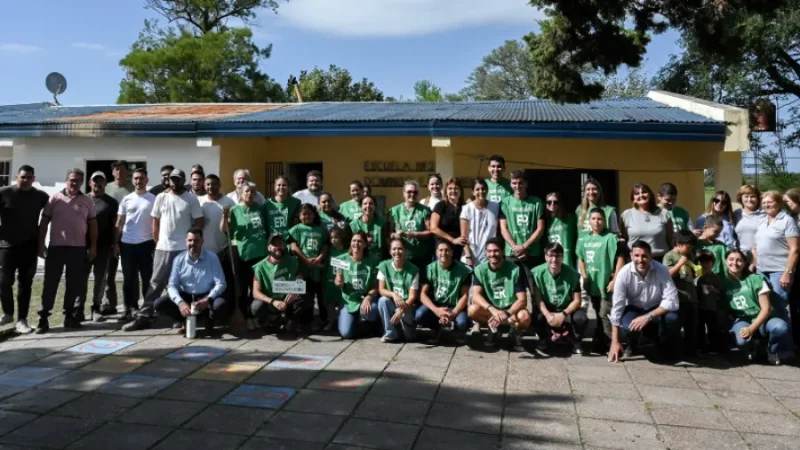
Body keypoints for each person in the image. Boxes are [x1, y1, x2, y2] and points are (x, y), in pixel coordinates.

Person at [123, 169, 203, 331]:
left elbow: (199, 221)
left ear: (183, 180)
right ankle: (144, 316)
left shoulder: (191, 199)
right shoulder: (161, 197)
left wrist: (193, 242)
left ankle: (179, 317)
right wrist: (157, 240)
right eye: (172, 179)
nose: (175, 182)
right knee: (156, 283)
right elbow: (155, 220)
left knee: (183, 285)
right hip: (163, 248)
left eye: (178, 179)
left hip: (183, 248)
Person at [37, 169, 98, 333]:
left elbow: (93, 224)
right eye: (72, 180)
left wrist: (93, 246)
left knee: (73, 284)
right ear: (66, 180)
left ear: (82, 183)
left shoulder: (87, 200)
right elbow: (44, 223)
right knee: (50, 283)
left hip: (78, 249)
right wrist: (41, 244)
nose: (74, 183)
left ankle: (69, 316)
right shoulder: (55, 198)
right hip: (56, 248)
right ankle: (43, 317)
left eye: (78, 180)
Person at [608, 241, 680, 362]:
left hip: (656, 308)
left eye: (644, 256)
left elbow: (672, 301)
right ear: (631, 256)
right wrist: (614, 342)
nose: (640, 260)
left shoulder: (661, 269)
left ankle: (662, 344)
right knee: (626, 327)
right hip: (634, 308)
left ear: (651, 256)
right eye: (636, 256)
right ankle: (632, 342)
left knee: (672, 318)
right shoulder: (623, 273)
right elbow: (617, 307)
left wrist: (648, 316)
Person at [0, 165, 49, 333]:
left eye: (29, 177)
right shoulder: (5, 193)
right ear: (17, 177)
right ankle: (8, 313)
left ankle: (22, 319)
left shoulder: (40, 196)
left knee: (25, 284)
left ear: (33, 178)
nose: (26, 180)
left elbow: (53, 212)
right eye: (23, 177)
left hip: (29, 246)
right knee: (3, 282)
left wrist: (42, 244)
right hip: (6, 246)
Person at [153, 228, 227, 335]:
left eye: (196, 241)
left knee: (220, 305)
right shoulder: (178, 259)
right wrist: (180, 303)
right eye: (190, 240)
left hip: (206, 296)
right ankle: (184, 319)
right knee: (159, 304)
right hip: (187, 296)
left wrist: (208, 299)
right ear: (185, 241)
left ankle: (209, 319)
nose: (192, 243)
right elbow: (172, 286)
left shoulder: (212, 258)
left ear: (202, 241)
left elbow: (221, 283)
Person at [724, 249, 791, 365]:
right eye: (731, 259)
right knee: (740, 341)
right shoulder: (722, 282)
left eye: (739, 260)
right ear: (725, 261)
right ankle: (752, 347)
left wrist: (751, 329)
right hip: (743, 319)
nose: (734, 263)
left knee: (781, 327)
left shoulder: (756, 279)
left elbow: (766, 309)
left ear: (745, 263)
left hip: (765, 319)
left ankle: (772, 350)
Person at [469, 238, 531, 351]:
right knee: (472, 310)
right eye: (489, 251)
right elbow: (476, 295)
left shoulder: (515, 269)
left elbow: (522, 300)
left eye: (496, 251)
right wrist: (493, 310)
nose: (492, 254)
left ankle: (515, 332)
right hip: (492, 310)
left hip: (510, 310)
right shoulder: (480, 269)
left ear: (502, 251)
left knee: (525, 317)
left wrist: (507, 313)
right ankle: (492, 328)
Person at [576, 208, 625, 354]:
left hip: (606, 283)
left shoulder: (611, 238)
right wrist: (584, 276)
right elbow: (581, 259)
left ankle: (613, 344)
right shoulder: (584, 240)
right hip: (592, 283)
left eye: (600, 219)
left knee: (605, 313)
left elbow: (620, 259)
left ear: (604, 221)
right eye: (593, 219)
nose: (596, 222)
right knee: (598, 312)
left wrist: (614, 280)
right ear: (589, 221)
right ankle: (600, 342)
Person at [751, 190, 799, 333]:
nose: (766, 205)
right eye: (764, 202)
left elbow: (795, 249)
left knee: (779, 307)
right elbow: (757, 245)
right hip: (761, 271)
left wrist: (788, 272)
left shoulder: (787, 220)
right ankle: (769, 340)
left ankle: (784, 344)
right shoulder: (762, 221)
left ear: (779, 203)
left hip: (779, 271)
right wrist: (754, 262)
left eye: (770, 202)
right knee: (764, 307)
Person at [223, 182, 268, 331]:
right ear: (241, 194)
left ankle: (254, 315)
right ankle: (245, 316)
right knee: (242, 288)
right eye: (247, 191)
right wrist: (225, 216)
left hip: (260, 254)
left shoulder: (259, 208)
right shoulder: (235, 210)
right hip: (243, 253)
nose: (250, 194)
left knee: (257, 286)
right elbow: (224, 229)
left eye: (253, 192)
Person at [76, 171, 118, 323]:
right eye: (95, 181)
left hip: (104, 247)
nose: (98, 184)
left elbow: (116, 226)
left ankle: (96, 307)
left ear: (105, 183)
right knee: (81, 278)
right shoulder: (82, 200)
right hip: (82, 246)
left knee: (100, 279)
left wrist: (115, 244)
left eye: (101, 181)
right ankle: (78, 308)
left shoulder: (111, 202)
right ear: (90, 183)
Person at [115, 168, 156, 322]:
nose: (139, 181)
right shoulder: (126, 199)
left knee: (147, 279)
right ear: (132, 180)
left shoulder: (153, 199)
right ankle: (128, 308)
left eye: (141, 178)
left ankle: (147, 309)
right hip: (127, 244)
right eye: (136, 178)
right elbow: (119, 222)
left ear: (147, 180)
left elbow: (157, 222)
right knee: (128, 279)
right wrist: (116, 244)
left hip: (147, 244)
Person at [533, 243, 585, 354]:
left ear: (562, 257)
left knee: (581, 318)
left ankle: (575, 341)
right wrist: (548, 314)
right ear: (545, 257)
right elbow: (538, 299)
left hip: (566, 308)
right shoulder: (536, 273)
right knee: (536, 317)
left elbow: (577, 301)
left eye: (558, 256)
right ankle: (544, 338)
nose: (554, 259)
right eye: (551, 255)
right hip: (548, 307)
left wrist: (563, 314)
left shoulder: (572, 274)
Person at [251, 233, 308, 332]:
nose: (278, 246)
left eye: (280, 243)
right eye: (275, 244)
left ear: (285, 246)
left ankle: (289, 321)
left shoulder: (293, 261)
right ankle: (270, 320)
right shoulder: (260, 267)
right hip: (271, 302)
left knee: (305, 296)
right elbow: (255, 293)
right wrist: (273, 302)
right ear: (269, 248)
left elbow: (300, 280)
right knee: (256, 306)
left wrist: (295, 291)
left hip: (288, 301)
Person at [499, 170, 545, 293]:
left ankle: (536, 307)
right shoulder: (505, 202)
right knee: (512, 288)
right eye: (514, 183)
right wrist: (515, 247)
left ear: (526, 183)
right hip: (511, 252)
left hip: (532, 252)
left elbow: (540, 229)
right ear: (510, 184)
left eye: (520, 183)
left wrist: (524, 247)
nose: (517, 186)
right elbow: (503, 228)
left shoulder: (537, 202)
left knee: (535, 287)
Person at [198, 174, 236, 318]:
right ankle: (205, 313)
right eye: (208, 184)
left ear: (219, 185)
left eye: (214, 184)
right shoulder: (200, 202)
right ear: (204, 185)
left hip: (222, 250)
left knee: (224, 283)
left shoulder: (229, 202)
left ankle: (225, 312)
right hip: (203, 251)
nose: (210, 187)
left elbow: (232, 226)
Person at [288, 203, 329, 330]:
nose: (307, 216)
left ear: (314, 215)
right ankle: (305, 322)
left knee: (321, 295)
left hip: (318, 268)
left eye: (309, 214)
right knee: (306, 296)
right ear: (299, 216)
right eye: (304, 214)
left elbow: (325, 246)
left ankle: (324, 320)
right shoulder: (296, 229)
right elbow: (293, 247)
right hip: (302, 268)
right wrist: (306, 260)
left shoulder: (320, 229)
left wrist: (319, 258)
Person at [100, 160, 133, 315]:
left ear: (127, 171)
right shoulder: (107, 188)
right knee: (109, 272)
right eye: (116, 169)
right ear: (113, 172)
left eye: (122, 169)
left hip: (130, 234)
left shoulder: (133, 188)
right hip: (110, 234)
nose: (119, 172)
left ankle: (131, 304)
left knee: (130, 272)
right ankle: (109, 303)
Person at [334, 231, 380, 339]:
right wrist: (339, 281)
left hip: (366, 298)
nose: (356, 244)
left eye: (359, 241)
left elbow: (375, 286)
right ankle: (356, 323)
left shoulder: (373, 260)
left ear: (365, 244)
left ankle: (374, 324)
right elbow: (337, 282)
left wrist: (368, 297)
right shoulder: (341, 259)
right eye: (354, 241)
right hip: (349, 300)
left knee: (372, 311)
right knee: (346, 333)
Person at [663, 229, 700, 356]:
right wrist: (680, 263)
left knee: (692, 325)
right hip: (678, 296)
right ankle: (673, 351)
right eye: (688, 247)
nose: (690, 250)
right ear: (678, 244)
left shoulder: (691, 255)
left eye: (692, 247)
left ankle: (691, 350)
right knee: (676, 325)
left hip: (691, 296)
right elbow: (667, 275)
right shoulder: (669, 256)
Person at [376, 238, 419, 343]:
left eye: (400, 249)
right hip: (392, 303)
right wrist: (393, 294)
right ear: (390, 251)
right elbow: (381, 290)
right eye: (394, 249)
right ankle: (390, 333)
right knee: (382, 300)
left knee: (408, 338)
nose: (397, 252)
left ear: (405, 251)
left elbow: (412, 297)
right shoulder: (384, 266)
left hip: (406, 306)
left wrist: (401, 311)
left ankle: (406, 329)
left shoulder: (413, 270)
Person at [620, 183, 674, 261]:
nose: (641, 195)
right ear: (633, 198)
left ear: (650, 195)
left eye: (644, 192)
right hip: (636, 260)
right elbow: (623, 239)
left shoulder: (664, 213)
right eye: (637, 194)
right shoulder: (626, 215)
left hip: (660, 259)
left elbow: (671, 240)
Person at [389, 181, 433, 269]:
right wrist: (396, 235)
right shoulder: (395, 210)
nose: (412, 194)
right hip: (401, 256)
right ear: (404, 193)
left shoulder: (425, 210)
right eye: (409, 192)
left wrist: (413, 234)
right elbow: (389, 233)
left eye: (415, 192)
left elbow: (429, 232)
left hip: (421, 257)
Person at [459, 178, 499, 267]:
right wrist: (468, 256)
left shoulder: (495, 207)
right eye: (477, 189)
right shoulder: (467, 208)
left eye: (483, 189)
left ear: (487, 190)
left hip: (489, 255)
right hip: (471, 256)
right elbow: (463, 236)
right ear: (473, 192)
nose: (481, 191)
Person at [695, 249, 725, 353]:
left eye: (707, 262)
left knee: (713, 326)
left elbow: (721, 292)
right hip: (699, 306)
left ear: (712, 263)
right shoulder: (697, 276)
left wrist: (713, 289)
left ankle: (714, 345)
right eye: (702, 262)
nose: (705, 265)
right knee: (700, 326)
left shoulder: (715, 277)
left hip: (711, 306)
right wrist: (698, 278)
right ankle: (700, 345)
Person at [430, 177, 466, 261]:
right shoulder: (440, 206)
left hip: (460, 248)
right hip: (442, 248)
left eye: (456, 188)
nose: (453, 191)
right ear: (446, 191)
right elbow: (433, 228)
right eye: (450, 188)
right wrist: (452, 240)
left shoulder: (465, 207)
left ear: (460, 191)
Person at [783, 188, 800, 347]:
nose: (785, 204)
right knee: (794, 304)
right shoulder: (790, 218)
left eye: (787, 201)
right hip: (794, 264)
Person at [322, 227, 348, 331]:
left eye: (336, 237)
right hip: (330, 280)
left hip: (342, 281)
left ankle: (341, 321)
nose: (333, 240)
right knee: (330, 303)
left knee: (342, 302)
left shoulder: (346, 251)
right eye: (331, 238)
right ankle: (331, 321)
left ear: (341, 238)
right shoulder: (329, 251)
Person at [545, 192, 578, 267]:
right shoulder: (545, 222)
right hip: (552, 259)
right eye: (549, 202)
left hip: (567, 259)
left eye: (555, 202)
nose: (552, 204)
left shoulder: (570, 218)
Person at [734, 185, 764, 260]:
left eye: (753, 196)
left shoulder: (764, 214)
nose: (749, 199)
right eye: (746, 196)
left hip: (760, 256)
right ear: (741, 198)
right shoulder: (736, 214)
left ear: (758, 198)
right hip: (740, 257)